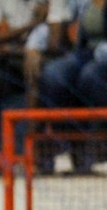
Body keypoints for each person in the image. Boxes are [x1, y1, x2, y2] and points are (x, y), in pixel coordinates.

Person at [0, 0, 73, 144]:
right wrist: (32, 24)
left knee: (33, 65)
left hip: (46, 57)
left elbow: (55, 44)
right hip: (13, 56)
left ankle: (33, 152)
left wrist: (21, 50)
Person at [38, 0, 107, 175]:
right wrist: (34, 46)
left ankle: (95, 146)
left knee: (89, 76)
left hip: (102, 56)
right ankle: (70, 145)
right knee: (54, 74)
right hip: (86, 53)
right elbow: (53, 24)